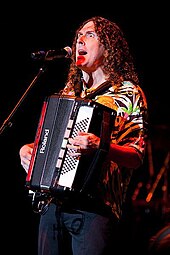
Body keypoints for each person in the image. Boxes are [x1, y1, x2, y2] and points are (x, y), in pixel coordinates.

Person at [19, 16, 148, 255]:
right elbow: (49, 143)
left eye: (90, 35)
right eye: (79, 35)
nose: (80, 39)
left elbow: (137, 155)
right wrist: (28, 150)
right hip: (51, 205)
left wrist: (101, 147)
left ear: (109, 48)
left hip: (95, 209)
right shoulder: (69, 93)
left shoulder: (128, 93)